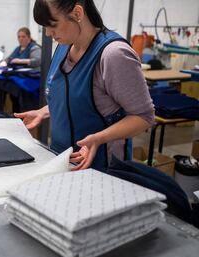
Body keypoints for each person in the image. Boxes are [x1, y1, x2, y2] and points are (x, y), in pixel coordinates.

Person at [14, 0, 155, 171]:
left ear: (77, 14)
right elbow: (78, 96)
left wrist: (99, 138)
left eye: (53, 25)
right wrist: (45, 111)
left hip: (101, 167)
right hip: (62, 159)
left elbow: (144, 117)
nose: (48, 33)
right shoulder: (63, 47)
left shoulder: (113, 55)